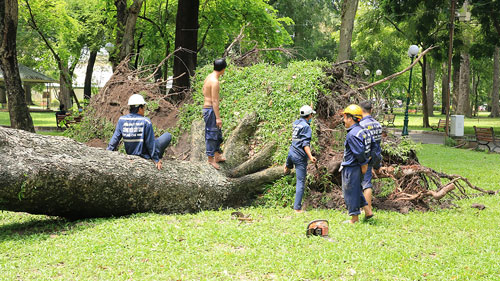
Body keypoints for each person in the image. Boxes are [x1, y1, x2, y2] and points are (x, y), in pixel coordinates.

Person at [107, 93, 172, 170]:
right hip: (145, 155)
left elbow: (115, 139)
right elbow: (150, 143)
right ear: (140, 108)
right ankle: (158, 156)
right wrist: (156, 160)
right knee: (167, 135)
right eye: (144, 108)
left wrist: (107, 152)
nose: (144, 110)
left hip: (131, 154)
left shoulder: (122, 120)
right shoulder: (146, 121)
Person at [340, 104, 377, 223]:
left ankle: (354, 218)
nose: (343, 120)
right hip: (357, 166)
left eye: (345, 117)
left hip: (352, 167)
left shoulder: (352, 134)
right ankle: (368, 211)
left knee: (350, 192)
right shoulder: (363, 131)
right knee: (356, 190)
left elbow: (359, 152)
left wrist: (364, 164)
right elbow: (374, 147)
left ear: (350, 118)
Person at [284, 105, 317, 213]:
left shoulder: (296, 123)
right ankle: (297, 208)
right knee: (300, 182)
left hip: (291, 153)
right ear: (310, 115)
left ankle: (287, 167)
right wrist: (310, 156)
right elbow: (305, 145)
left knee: (289, 164)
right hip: (299, 157)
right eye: (312, 115)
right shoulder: (306, 127)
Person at [359, 100, 383, 219]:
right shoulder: (378, 125)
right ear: (371, 110)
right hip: (374, 157)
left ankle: (366, 210)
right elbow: (378, 146)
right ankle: (365, 208)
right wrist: (378, 164)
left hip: (363, 158)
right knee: (366, 183)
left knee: (364, 184)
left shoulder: (361, 125)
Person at [202, 58, 227, 169]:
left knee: (217, 133)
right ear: (223, 69)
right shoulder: (215, 82)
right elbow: (215, 101)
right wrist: (218, 118)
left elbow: (203, 90)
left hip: (208, 108)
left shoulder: (209, 76)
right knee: (212, 133)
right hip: (210, 109)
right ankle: (210, 159)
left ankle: (217, 155)